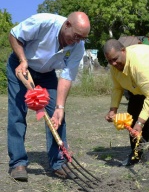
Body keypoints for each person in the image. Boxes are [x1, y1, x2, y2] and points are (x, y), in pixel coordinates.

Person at [7, 12, 91, 181]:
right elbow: (14, 35)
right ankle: (18, 163)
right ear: (67, 24)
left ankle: (58, 162)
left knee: (57, 115)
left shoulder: (78, 46)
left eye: (82, 38)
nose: (77, 41)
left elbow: (66, 76)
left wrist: (60, 107)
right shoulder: (44, 22)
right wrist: (23, 60)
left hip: (47, 74)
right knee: (17, 113)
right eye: (76, 36)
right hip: (21, 66)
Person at [104, 39, 149, 166]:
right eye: (110, 61)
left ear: (123, 51)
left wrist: (140, 122)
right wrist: (113, 109)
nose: (113, 63)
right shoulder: (115, 67)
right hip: (138, 82)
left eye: (115, 59)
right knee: (133, 111)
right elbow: (117, 87)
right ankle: (136, 153)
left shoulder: (139, 65)